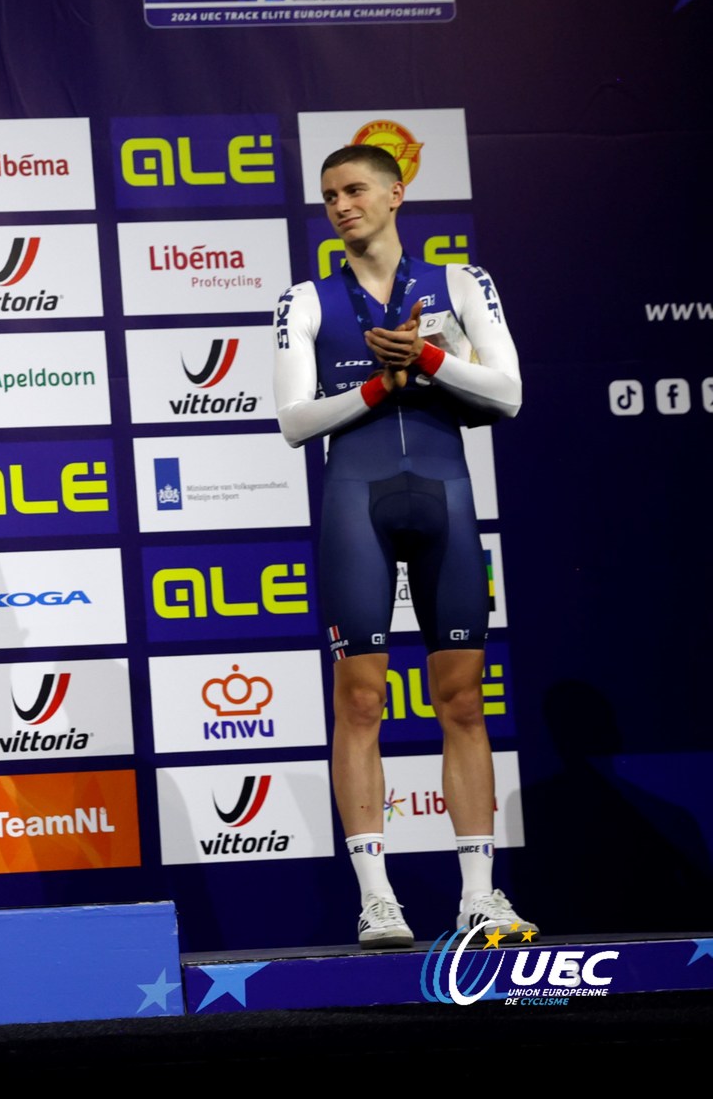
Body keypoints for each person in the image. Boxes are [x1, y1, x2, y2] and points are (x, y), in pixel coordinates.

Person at [273, 144, 533, 949]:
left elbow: (511, 391)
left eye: (354, 191)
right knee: (360, 702)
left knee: (463, 701)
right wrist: (377, 387)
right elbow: (292, 422)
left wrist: (426, 357)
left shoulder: (461, 283)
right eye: (329, 197)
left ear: (396, 195)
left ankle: (479, 897)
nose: (341, 206)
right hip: (356, 503)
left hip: (446, 500)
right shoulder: (305, 299)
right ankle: (377, 898)